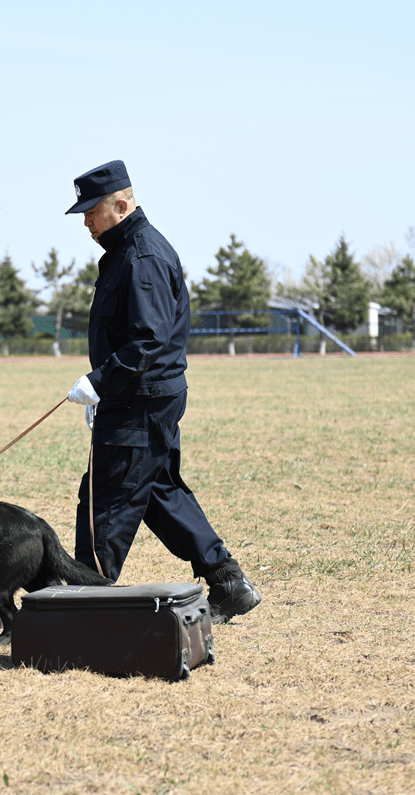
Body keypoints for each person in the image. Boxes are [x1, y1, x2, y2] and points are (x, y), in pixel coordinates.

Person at [63, 160, 261, 624]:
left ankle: (79, 610)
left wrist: (100, 382)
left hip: (139, 400)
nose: (87, 222)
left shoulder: (142, 256)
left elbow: (147, 340)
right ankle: (228, 583)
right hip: (140, 397)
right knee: (157, 491)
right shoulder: (126, 250)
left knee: (107, 498)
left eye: (92, 211)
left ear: (122, 204)